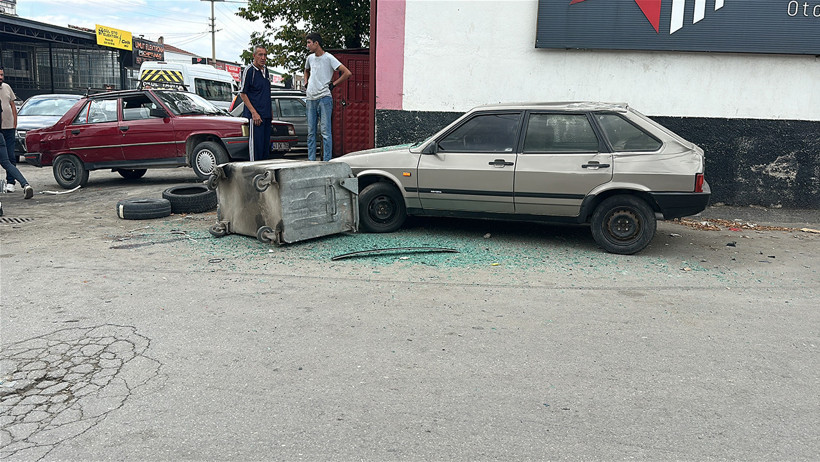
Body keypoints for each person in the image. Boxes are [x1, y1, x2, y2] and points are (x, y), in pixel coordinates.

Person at [304, 32, 351, 161]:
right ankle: (311, 161)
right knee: (311, 132)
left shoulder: (329, 58)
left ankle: (327, 161)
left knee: (325, 132)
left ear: (316, 43)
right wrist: (306, 81)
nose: (307, 45)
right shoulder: (310, 58)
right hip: (310, 98)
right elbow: (306, 70)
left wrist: (334, 84)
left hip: (324, 97)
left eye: (309, 42)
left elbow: (347, 72)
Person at [0, 68, 32, 199]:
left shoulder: (7, 88)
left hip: (7, 129)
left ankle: (11, 182)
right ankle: (25, 184)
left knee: (10, 158)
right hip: (0, 133)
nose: (0, 77)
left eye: (2, 74)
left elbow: (12, 106)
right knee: (6, 162)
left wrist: (14, 123)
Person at [238, 45, 272, 162]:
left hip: (266, 115)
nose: (263, 58)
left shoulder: (266, 71)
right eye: (260, 55)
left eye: (265, 55)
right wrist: (254, 113)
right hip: (256, 117)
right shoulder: (249, 71)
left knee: (265, 148)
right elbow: (243, 93)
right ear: (254, 56)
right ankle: (254, 173)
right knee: (256, 149)